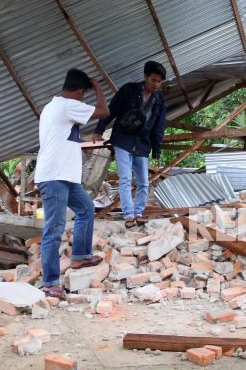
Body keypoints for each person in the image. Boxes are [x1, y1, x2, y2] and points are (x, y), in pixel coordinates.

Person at [37, 68, 110, 300]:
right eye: (83, 94)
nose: (83, 98)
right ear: (79, 91)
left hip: (63, 176)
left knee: (86, 208)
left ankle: (79, 256)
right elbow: (104, 111)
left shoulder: (52, 106)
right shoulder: (68, 105)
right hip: (54, 177)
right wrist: (97, 86)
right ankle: (50, 282)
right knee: (54, 229)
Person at [92, 61, 167, 229]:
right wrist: (99, 128)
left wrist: (157, 151)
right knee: (125, 179)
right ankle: (128, 215)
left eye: (159, 81)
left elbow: (159, 127)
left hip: (142, 143)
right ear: (145, 76)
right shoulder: (129, 90)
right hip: (123, 141)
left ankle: (139, 213)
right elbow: (111, 110)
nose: (156, 85)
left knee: (143, 182)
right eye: (153, 80)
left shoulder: (159, 100)